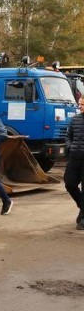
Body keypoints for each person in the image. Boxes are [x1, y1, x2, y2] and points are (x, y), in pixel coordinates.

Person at [64, 97, 84, 229]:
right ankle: (83, 207)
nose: (80, 106)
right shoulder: (75, 119)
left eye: (82, 104)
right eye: (80, 104)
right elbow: (68, 136)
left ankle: (83, 218)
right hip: (75, 157)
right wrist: (70, 146)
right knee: (69, 183)